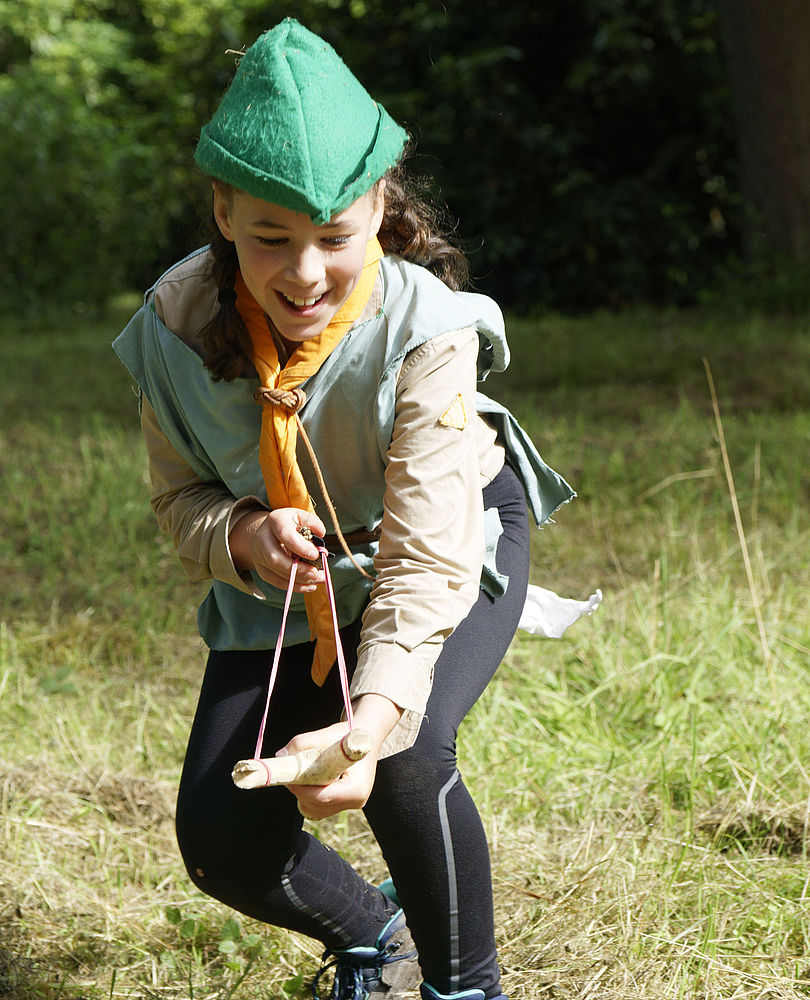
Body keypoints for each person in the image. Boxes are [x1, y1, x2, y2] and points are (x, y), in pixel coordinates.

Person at [113, 19, 594, 1000]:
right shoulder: (173, 324)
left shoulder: (429, 331)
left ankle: (464, 988)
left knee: (407, 748)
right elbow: (180, 502)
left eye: (334, 237)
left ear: (381, 205)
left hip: (445, 541)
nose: (302, 274)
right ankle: (378, 934)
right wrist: (244, 531)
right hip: (286, 575)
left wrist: (364, 724)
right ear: (222, 210)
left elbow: (424, 562)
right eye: (269, 239)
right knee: (220, 835)